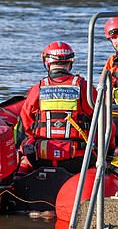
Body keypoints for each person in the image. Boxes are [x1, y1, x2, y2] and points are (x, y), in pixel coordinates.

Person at [19, 42, 97, 174]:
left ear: (47, 63)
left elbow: (26, 123)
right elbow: (104, 123)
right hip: (78, 159)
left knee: (24, 156)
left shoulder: (37, 89)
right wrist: (108, 150)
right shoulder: (84, 88)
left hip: (42, 158)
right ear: (70, 63)